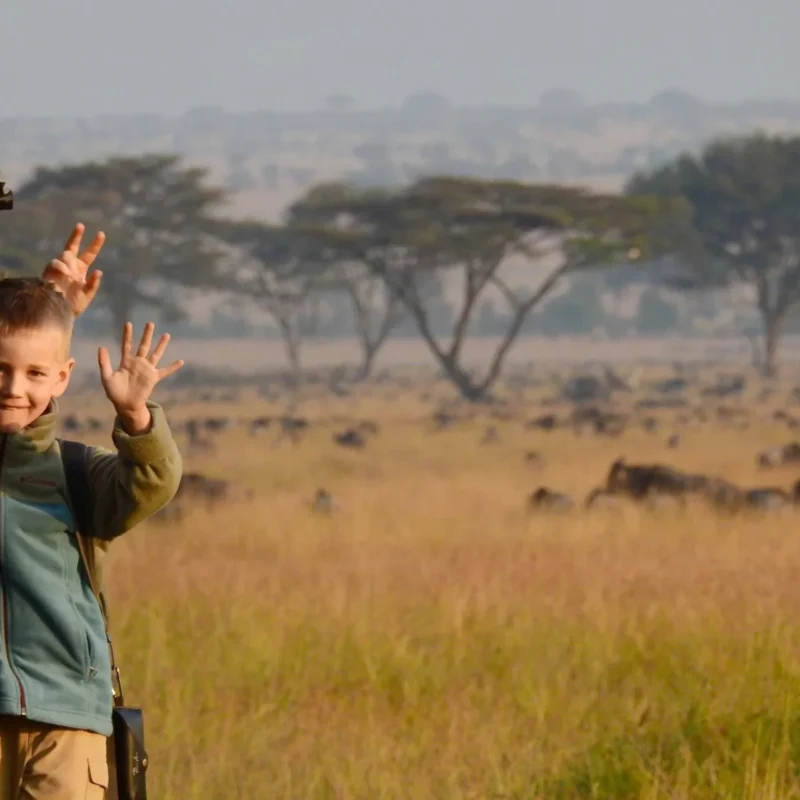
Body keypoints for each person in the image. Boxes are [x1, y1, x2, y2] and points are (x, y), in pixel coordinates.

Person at [0, 222, 184, 798]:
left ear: (63, 378)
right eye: (0, 370)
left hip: (68, 720)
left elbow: (153, 479)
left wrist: (137, 419)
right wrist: (53, 302)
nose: (13, 387)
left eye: (34, 374)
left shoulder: (75, 471)